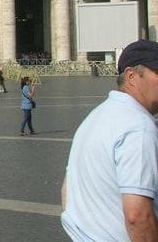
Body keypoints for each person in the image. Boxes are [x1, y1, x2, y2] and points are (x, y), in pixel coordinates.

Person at [62, 40, 158, 240]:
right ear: (131, 76)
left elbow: (67, 191)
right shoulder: (138, 128)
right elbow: (137, 216)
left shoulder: (96, 116)